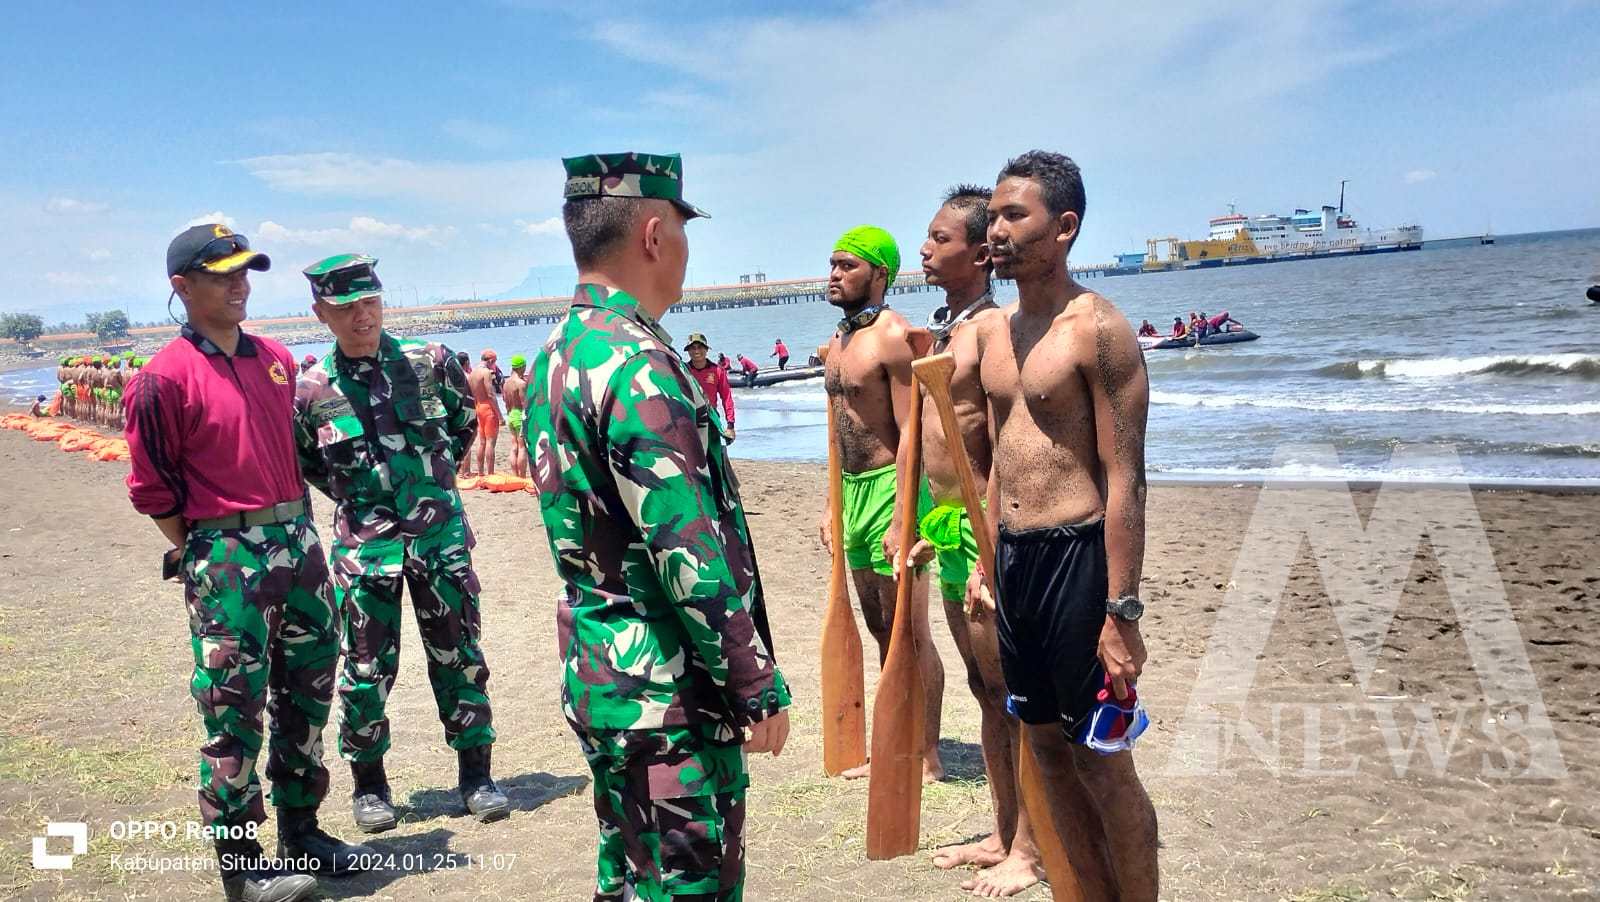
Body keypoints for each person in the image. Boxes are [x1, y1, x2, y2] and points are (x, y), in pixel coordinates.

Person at [527, 151, 791, 900]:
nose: (684, 248)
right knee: (684, 887)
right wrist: (754, 681)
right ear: (652, 234)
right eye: (681, 228)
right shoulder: (636, 361)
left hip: (602, 672)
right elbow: (684, 546)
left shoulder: (559, 352)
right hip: (666, 690)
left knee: (629, 879)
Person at [124, 225, 370, 902]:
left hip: (299, 542)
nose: (241, 283)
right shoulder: (163, 378)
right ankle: (242, 867)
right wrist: (208, 541)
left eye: (247, 271)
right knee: (233, 708)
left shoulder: (276, 360)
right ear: (182, 287)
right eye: (223, 273)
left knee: (310, 695)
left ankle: (302, 831)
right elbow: (151, 489)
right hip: (226, 554)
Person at [972, 151, 1158, 900]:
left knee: (1102, 760)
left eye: (1015, 215)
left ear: (1065, 227)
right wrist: (988, 563)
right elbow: (996, 466)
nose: (997, 228)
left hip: (1080, 564)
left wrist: (1121, 610)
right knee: (1043, 748)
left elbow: (1127, 480)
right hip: (1015, 563)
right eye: (992, 215)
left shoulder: (1099, 331)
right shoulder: (997, 335)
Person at [293, 253, 508, 837]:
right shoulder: (311, 390)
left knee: (460, 655)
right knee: (364, 670)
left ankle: (476, 776)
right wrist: (367, 505)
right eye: (345, 308)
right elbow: (311, 464)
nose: (362, 316)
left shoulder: (430, 363)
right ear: (321, 313)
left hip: (439, 539)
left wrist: (429, 488)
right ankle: (370, 786)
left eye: (370, 302)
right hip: (365, 551)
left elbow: (463, 425)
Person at [909, 185, 1046, 893]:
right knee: (984, 689)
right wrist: (928, 528)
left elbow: (1004, 443)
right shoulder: (946, 328)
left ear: (978, 251)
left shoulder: (991, 330)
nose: (925, 248)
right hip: (947, 522)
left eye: (940, 238)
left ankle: (1030, 847)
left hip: (983, 526)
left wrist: (986, 552)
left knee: (1010, 688)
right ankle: (1002, 830)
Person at [819, 223, 945, 784]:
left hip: (892, 489)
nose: (834, 275)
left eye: (847, 266)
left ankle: (926, 751)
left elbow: (909, 433)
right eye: (832, 264)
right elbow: (837, 433)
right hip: (851, 492)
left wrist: (906, 517)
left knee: (908, 629)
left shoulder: (892, 336)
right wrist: (831, 505)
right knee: (877, 625)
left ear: (880, 274)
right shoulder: (840, 341)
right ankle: (894, 739)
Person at [685, 332, 736, 443]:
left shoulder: (717, 371)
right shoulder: (684, 371)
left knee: (714, 456)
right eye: (693, 348)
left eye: (700, 347)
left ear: (706, 349)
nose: (696, 351)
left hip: (710, 418)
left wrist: (730, 425)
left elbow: (727, 397)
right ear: (688, 351)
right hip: (689, 419)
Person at [465, 349, 502, 476]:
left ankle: (481, 473)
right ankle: (490, 473)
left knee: (482, 442)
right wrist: (500, 415)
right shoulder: (486, 373)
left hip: (477, 407)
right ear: (491, 360)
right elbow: (491, 394)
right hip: (488, 408)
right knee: (491, 442)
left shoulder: (472, 373)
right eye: (494, 362)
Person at [503, 354, 529, 477]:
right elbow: (525, 404)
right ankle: (523, 476)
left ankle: (515, 475)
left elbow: (505, 401)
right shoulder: (521, 384)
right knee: (522, 447)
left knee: (514, 446)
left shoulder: (506, 383)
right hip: (519, 415)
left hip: (511, 415)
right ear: (521, 367)